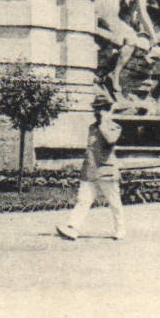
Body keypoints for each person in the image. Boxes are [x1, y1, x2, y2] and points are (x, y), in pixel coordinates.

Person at [57, 97, 126, 241]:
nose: (96, 112)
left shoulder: (114, 127)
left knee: (114, 202)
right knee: (84, 200)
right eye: (95, 108)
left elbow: (110, 139)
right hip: (90, 170)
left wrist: (104, 123)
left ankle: (120, 229)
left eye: (100, 108)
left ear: (107, 110)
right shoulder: (92, 128)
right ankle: (72, 228)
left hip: (106, 171)